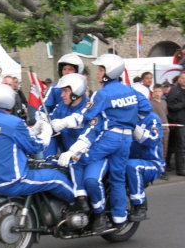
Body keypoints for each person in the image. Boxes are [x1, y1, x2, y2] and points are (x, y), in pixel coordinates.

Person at [53, 54, 152, 230]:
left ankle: (88, 207)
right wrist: (129, 120)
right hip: (126, 139)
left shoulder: (102, 94)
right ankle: (120, 217)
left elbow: (87, 116)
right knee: (118, 178)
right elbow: (146, 109)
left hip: (108, 138)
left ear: (109, 72)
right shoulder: (130, 90)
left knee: (77, 160)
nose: (98, 73)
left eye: (101, 69)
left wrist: (65, 122)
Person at [0, 84, 74, 204]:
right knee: (57, 178)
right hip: (12, 181)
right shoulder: (14, 122)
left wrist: (34, 129)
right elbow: (35, 146)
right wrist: (46, 133)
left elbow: (14, 137)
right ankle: (77, 205)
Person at [49, 73, 106, 214]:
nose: (62, 95)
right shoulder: (62, 106)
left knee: (91, 182)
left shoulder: (90, 108)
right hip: (71, 158)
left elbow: (89, 135)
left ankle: (100, 214)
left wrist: (71, 151)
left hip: (92, 156)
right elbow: (49, 119)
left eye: (65, 91)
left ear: (76, 91)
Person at [126, 112, 165, 221]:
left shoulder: (152, 119)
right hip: (127, 158)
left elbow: (152, 140)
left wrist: (135, 128)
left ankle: (140, 206)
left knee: (133, 167)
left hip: (151, 162)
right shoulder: (124, 115)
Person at [166, 71, 185, 176]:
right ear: (179, 79)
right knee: (181, 146)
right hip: (179, 122)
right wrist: (182, 104)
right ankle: (181, 169)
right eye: (182, 78)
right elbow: (171, 106)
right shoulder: (174, 91)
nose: (184, 80)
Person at [151, 84, 169, 178]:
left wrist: (168, 125)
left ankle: (164, 167)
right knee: (159, 148)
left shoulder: (164, 102)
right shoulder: (151, 104)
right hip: (157, 128)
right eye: (155, 91)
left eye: (159, 91)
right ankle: (159, 168)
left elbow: (165, 115)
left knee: (165, 147)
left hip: (165, 127)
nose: (157, 93)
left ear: (162, 92)